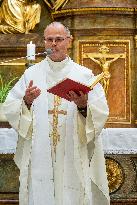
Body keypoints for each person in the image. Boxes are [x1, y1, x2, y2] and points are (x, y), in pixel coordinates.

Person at [4, 22, 110, 205]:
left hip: (72, 149)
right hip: (40, 152)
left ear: (69, 41)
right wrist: (26, 101)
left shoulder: (84, 75)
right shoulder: (31, 75)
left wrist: (83, 106)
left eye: (59, 39)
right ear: (44, 43)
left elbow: (100, 113)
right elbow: (11, 107)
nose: (54, 44)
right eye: (49, 40)